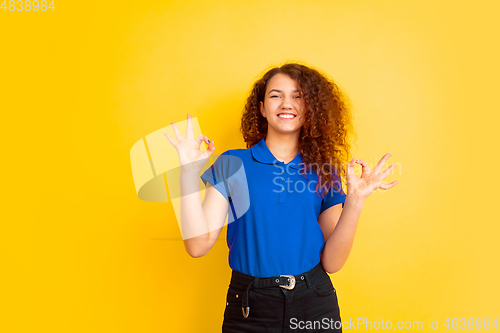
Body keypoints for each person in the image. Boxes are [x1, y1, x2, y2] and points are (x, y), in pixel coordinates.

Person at [164, 63, 399, 332]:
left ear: (310, 107)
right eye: (276, 95)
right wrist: (188, 173)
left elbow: (332, 263)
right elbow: (197, 246)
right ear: (262, 108)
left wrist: (356, 201)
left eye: (297, 96)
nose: (286, 103)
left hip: (314, 303)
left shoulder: (325, 171)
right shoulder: (232, 163)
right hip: (250, 306)